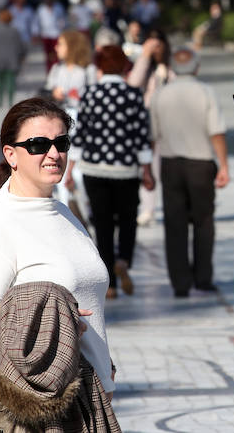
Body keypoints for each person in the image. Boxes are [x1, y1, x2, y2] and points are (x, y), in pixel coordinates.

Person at [0, 97, 119, 417]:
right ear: (11, 154)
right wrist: (54, 319)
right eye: (38, 145)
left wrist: (105, 361)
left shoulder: (62, 212)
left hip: (87, 391)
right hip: (33, 402)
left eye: (62, 143)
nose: (54, 154)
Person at [69, 46, 154, 299]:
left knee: (103, 224)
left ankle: (111, 284)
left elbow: (80, 132)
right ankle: (124, 260)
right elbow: (141, 135)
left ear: (100, 66)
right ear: (124, 66)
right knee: (127, 219)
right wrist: (147, 170)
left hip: (94, 168)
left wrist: (70, 167)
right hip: (126, 169)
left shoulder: (90, 94)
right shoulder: (132, 95)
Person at [151, 47, 229, 296]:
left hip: (171, 163)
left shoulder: (160, 94)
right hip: (201, 163)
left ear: (172, 67)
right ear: (196, 67)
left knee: (174, 224)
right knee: (204, 221)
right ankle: (203, 277)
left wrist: (148, 169)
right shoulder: (206, 92)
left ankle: (180, 283)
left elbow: (154, 136)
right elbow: (216, 131)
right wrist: (224, 165)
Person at [127, 31, 174, 226]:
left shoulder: (171, 67)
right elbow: (133, 82)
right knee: (149, 165)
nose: (156, 49)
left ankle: (173, 208)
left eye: (158, 45)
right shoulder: (144, 66)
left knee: (169, 167)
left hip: (169, 121)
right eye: (151, 45)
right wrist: (145, 56)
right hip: (147, 120)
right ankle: (148, 209)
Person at [0, 9, 28, 108]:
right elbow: (21, 46)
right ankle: (10, 101)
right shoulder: (15, 31)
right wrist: (21, 56)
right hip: (13, 61)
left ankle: (0, 100)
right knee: (11, 82)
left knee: (0, 81)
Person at [35, 0, 65, 72]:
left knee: (56, 53)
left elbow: (63, 19)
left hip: (56, 33)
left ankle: (57, 69)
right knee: (48, 54)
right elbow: (37, 21)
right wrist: (36, 33)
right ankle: (49, 70)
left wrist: (62, 27)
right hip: (46, 34)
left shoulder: (58, 8)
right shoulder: (41, 9)